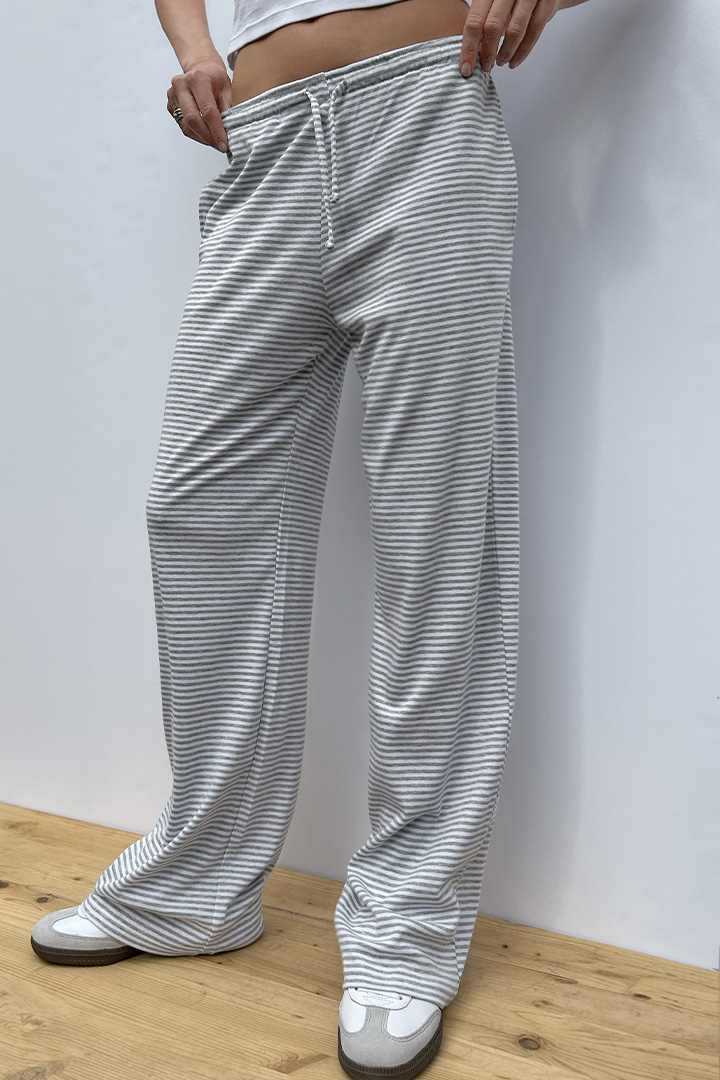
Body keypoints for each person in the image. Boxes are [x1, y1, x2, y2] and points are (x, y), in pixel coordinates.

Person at [31, 0, 589, 1076]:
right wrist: (195, 49)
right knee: (197, 508)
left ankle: (406, 925)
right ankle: (195, 885)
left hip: (427, 107)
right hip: (267, 136)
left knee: (434, 534)